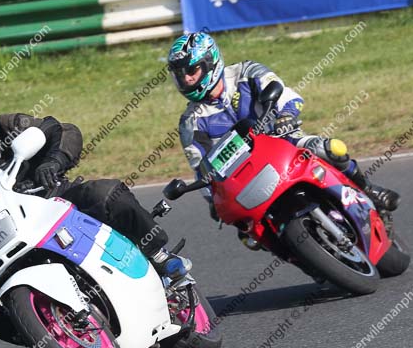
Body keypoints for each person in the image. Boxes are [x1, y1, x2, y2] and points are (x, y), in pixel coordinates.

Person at [0, 72, 188, 345]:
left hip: (52, 202)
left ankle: (158, 255)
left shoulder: (11, 126)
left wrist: (52, 162)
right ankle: (66, 342)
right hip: (4, 243)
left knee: (108, 194)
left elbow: (64, 131)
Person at [166, 31, 400, 222]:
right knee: (247, 232)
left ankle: (367, 189)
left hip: (283, 140)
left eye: (191, 71)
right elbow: (201, 168)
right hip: (244, 173)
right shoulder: (190, 122)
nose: (186, 79)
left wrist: (286, 116)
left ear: (210, 63)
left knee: (331, 148)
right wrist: (213, 200)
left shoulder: (246, 73)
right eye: (179, 74)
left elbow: (286, 95)